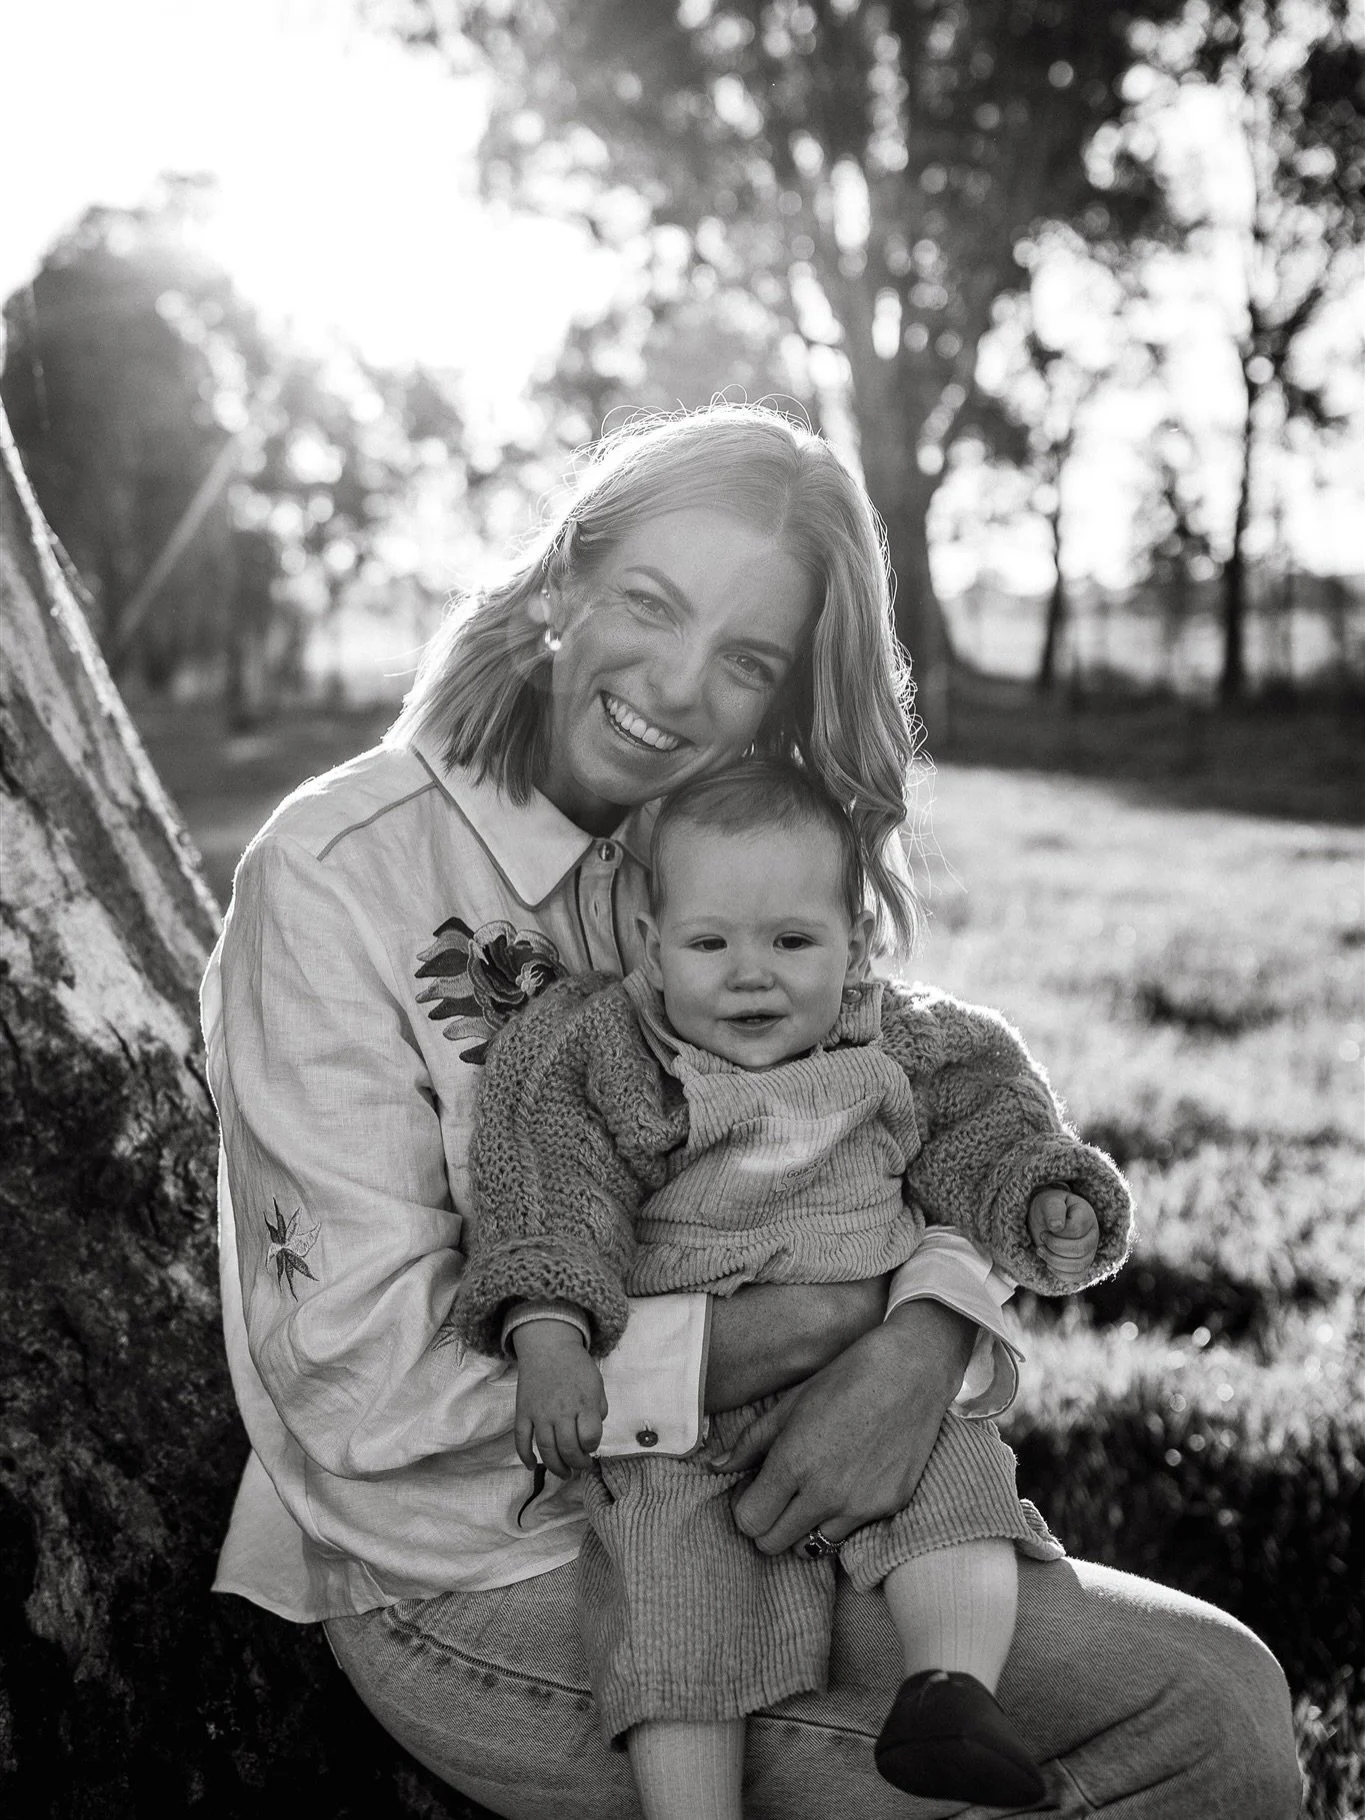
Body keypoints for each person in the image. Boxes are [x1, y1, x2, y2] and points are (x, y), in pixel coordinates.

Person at [202, 404, 1301, 1819]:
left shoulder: (744, 836)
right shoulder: (335, 873)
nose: (675, 683)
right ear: (559, 581)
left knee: (1217, 1698)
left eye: (746, 661)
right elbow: (360, 1378)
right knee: (1150, 1754)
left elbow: (907, 1108)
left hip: (779, 1499)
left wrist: (920, 1339)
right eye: (649, 605)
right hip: (471, 1560)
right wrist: (780, 1340)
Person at [452, 758, 1134, 1815]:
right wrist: (547, 1326)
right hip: (695, 1416)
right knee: (676, 1600)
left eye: (793, 941)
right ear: (651, 943)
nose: (751, 976)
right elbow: (549, 1180)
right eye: (711, 942)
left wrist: (1041, 1189)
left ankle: (949, 1689)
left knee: (956, 1494)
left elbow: (991, 1117)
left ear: (856, 942)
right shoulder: (611, 1049)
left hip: (870, 1374)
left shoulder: (895, 1036)